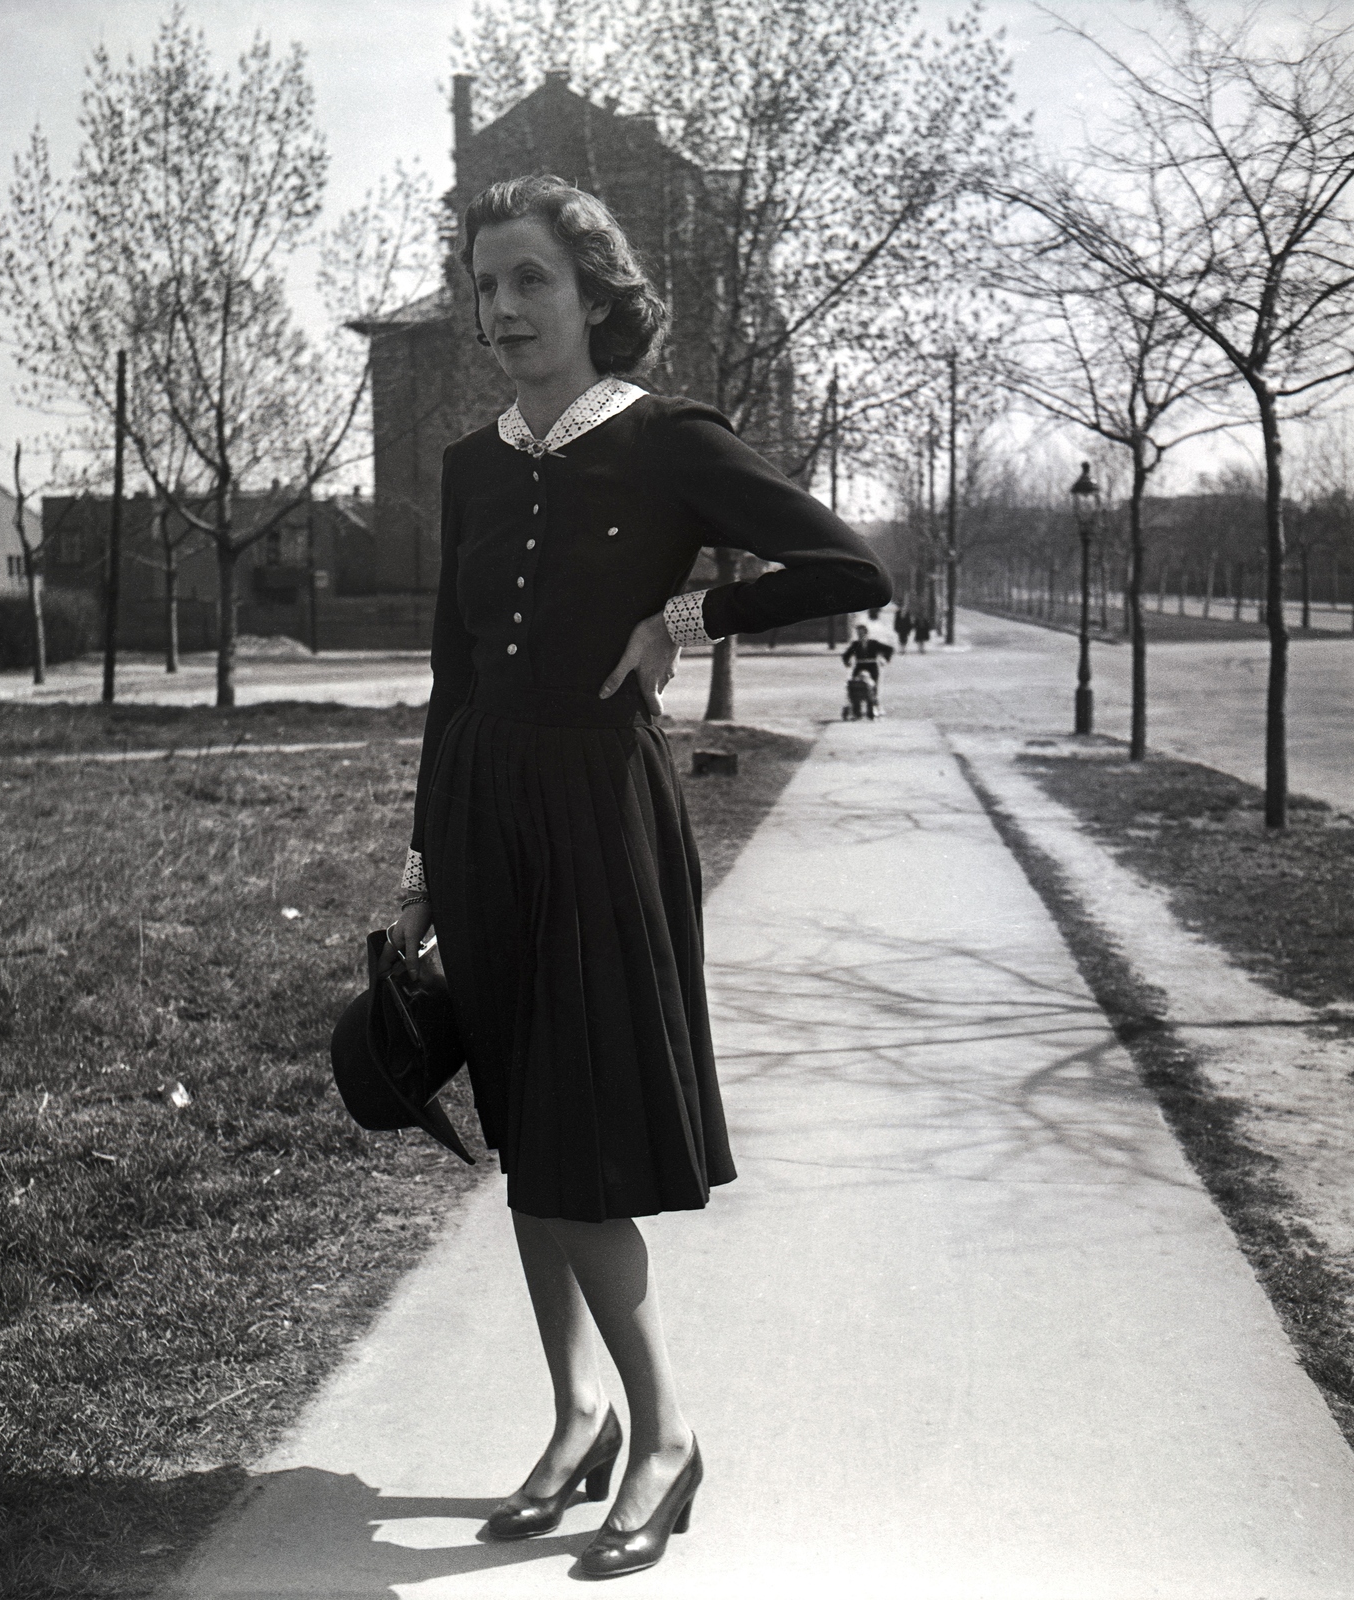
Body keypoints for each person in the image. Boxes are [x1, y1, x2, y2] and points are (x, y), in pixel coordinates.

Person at [390, 174, 891, 1579]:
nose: (500, 310)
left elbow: (841, 562)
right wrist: (426, 859)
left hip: (601, 816)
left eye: (529, 281)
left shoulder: (667, 441)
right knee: (524, 1130)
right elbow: (449, 674)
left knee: (584, 1137)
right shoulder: (470, 465)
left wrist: (690, 614)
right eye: (483, 284)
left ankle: (662, 1436)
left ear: (596, 295)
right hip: (487, 814)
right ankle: (575, 1419)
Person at [841, 623, 894, 719]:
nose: (860, 636)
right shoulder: (855, 644)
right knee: (855, 687)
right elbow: (846, 655)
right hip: (859, 667)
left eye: (862, 634)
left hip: (872, 667)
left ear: (866, 634)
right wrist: (847, 662)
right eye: (858, 634)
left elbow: (889, 649)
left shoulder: (873, 643)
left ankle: (872, 709)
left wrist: (885, 659)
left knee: (871, 688)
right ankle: (857, 711)